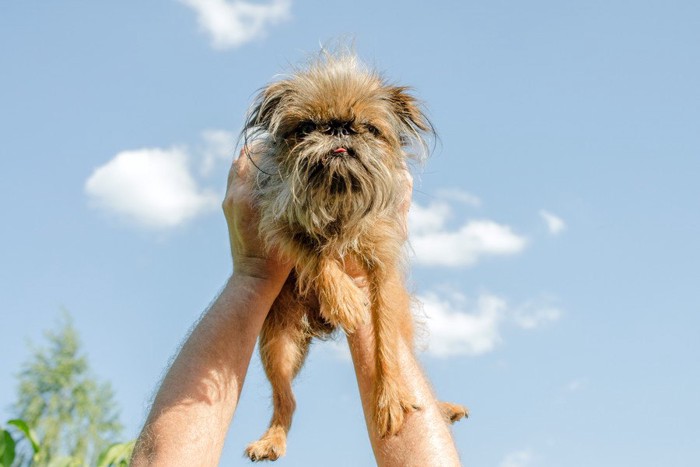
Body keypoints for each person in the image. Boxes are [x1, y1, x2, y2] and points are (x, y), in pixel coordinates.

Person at [130, 153, 462, 466]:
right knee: (280, 341)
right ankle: (281, 418)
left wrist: (252, 273)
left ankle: (417, 403)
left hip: (313, 278)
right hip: (289, 293)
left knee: (390, 302)